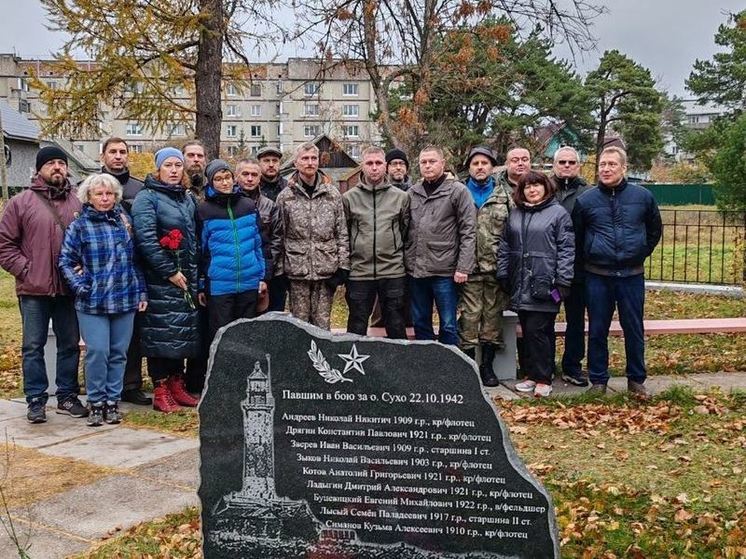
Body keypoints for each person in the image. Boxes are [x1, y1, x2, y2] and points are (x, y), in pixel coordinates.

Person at [0, 146, 87, 423]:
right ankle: (36, 399)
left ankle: (67, 395)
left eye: (61, 163)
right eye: (51, 164)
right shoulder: (20, 203)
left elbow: (89, 240)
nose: (58, 168)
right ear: (39, 170)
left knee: (70, 344)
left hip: (68, 288)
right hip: (33, 290)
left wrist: (83, 266)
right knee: (32, 346)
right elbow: (5, 245)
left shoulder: (78, 202)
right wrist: (26, 270)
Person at [572, 147, 662, 398]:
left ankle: (636, 380)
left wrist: (640, 252)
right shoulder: (586, 200)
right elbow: (577, 239)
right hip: (597, 275)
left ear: (624, 168)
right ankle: (598, 380)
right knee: (597, 329)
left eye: (612, 164)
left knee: (633, 328)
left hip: (631, 275)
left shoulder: (643, 197)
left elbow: (654, 230)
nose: (606, 169)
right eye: (602, 164)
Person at [59, 174, 148, 426]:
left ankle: (112, 401)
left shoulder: (124, 222)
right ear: (89, 197)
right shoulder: (79, 226)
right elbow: (66, 261)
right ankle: (96, 401)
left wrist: (141, 291)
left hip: (125, 297)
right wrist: (80, 286)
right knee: (98, 352)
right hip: (93, 301)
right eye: (99, 194)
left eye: (109, 194)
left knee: (119, 352)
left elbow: (135, 261)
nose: (105, 198)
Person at [132, 147, 201, 413]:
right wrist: (169, 271)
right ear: (158, 169)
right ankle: (161, 388)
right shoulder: (147, 198)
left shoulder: (186, 198)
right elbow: (146, 240)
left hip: (187, 279)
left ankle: (176, 384)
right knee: (161, 335)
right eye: (168, 165)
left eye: (178, 165)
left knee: (181, 334)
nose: (174, 170)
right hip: (161, 280)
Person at [496, 171, 574, 398]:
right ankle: (531, 374)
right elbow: (504, 245)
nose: (532, 190)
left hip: (545, 282)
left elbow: (567, 248)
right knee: (528, 331)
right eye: (527, 187)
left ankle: (543, 377)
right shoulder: (516, 214)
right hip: (520, 282)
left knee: (539, 331)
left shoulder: (558, 214)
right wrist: (503, 273)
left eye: (536, 185)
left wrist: (563, 279)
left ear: (545, 187)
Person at [98, 137, 151, 406]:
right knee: (100, 337)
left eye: (122, 152)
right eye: (113, 152)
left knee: (131, 335)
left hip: (133, 268)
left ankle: (130, 384)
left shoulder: (140, 188)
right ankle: (102, 387)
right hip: (100, 272)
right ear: (103, 156)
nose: (118, 156)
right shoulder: (92, 187)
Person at [405, 146, 476, 345]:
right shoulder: (413, 193)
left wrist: (463, 267)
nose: (427, 166)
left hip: (445, 271)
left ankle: (449, 370)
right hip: (417, 271)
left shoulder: (458, 191)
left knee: (448, 324)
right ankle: (426, 368)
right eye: (423, 162)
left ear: (443, 164)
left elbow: (468, 231)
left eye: (432, 161)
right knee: (420, 322)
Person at [276, 143, 350, 330]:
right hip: (296, 270)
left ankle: (322, 360)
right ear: (296, 162)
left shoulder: (332, 194)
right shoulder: (286, 196)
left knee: (322, 326)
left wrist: (343, 266)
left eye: (313, 158)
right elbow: (279, 236)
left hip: (326, 270)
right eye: (305, 158)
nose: (310, 163)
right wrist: (280, 271)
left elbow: (341, 232)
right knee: (299, 326)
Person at [458, 146, 512, 386]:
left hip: (494, 268)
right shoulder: (459, 192)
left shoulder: (505, 195)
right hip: (466, 268)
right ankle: (468, 366)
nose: (480, 167)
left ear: (492, 167)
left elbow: (513, 233)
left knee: (492, 318)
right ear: (469, 167)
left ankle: (487, 367)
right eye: (475, 164)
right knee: (469, 318)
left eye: (484, 163)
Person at [343, 146, 409, 339]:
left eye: (378, 163)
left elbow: (405, 231)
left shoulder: (401, 198)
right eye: (370, 163)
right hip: (359, 271)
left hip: (392, 270)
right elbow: (344, 233)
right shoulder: (349, 198)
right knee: (357, 323)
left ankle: (399, 367)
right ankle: (353, 367)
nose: (374, 168)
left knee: (396, 323)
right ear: (362, 166)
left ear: (385, 166)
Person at [198, 160, 268, 340]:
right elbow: (201, 251)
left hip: (249, 281)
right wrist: (201, 284)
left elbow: (260, 244)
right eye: (219, 179)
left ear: (233, 179)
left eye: (227, 177)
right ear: (211, 182)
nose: (224, 182)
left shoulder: (248, 205)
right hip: (220, 285)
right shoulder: (204, 210)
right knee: (222, 336)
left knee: (247, 335)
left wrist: (262, 277)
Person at [550, 146, 590, 387]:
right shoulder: (543, 190)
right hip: (547, 269)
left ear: (578, 165)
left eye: (571, 162)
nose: (566, 166)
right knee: (544, 321)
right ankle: (544, 364)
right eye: (562, 162)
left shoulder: (588, 193)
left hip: (579, 270)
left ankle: (572, 365)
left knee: (576, 320)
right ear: (554, 165)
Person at [236, 158, 284, 313]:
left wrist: (265, 273)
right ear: (237, 176)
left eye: (254, 175)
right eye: (245, 174)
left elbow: (276, 240)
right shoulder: (226, 203)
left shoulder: (269, 205)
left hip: (265, 272)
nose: (250, 179)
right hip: (236, 273)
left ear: (259, 178)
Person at [181, 140, 208, 394]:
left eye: (200, 155)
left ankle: (198, 380)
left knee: (203, 328)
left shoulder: (211, 190)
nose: (196, 160)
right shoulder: (176, 190)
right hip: (181, 267)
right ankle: (178, 382)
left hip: (207, 266)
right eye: (191, 155)